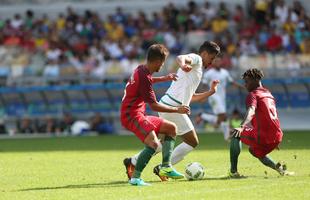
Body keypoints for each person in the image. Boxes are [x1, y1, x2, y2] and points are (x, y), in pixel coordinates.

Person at [124, 41, 221, 181]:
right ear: (205, 54)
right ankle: (164, 167)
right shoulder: (197, 59)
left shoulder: (196, 70)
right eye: (211, 58)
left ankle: (132, 161)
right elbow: (181, 57)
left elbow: (192, 97)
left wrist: (211, 92)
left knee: (161, 144)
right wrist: (183, 64)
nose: (211, 62)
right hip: (173, 107)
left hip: (168, 104)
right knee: (192, 141)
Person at [120, 44, 190, 186]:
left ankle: (166, 167)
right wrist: (178, 110)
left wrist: (165, 78)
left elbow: (147, 81)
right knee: (153, 143)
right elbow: (154, 105)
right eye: (163, 62)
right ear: (158, 61)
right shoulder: (144, 77)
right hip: (131, 115)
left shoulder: (141, 69)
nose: (162, 65)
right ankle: (135, 178)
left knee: (171, 128)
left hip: (138, 113)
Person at [229, 68, 294, 178]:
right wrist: (274, 139)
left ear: (255, 79)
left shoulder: (253, 94)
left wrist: (241, 127)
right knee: (254, 151)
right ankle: (280, 170)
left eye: (246, 81)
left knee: (235, 134)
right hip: (277, 137)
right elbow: (271, 116)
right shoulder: (268, 94)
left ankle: (233, 172)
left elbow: (251, 111)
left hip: (263, 136)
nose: (245, 85)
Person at [196, 57, 244, 140]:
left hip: (222, 98)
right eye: (215, 61)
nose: (218, 62)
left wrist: (242, 87)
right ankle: (226, 135)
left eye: (219, 61)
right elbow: (203, 85)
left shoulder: (225, 72)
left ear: (221, 62)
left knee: (222, 118)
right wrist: (202, 96)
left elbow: (231, 82)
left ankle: (203, 116)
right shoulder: (209, 73)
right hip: (213, 96)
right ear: (213, 62)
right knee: (223, 115)